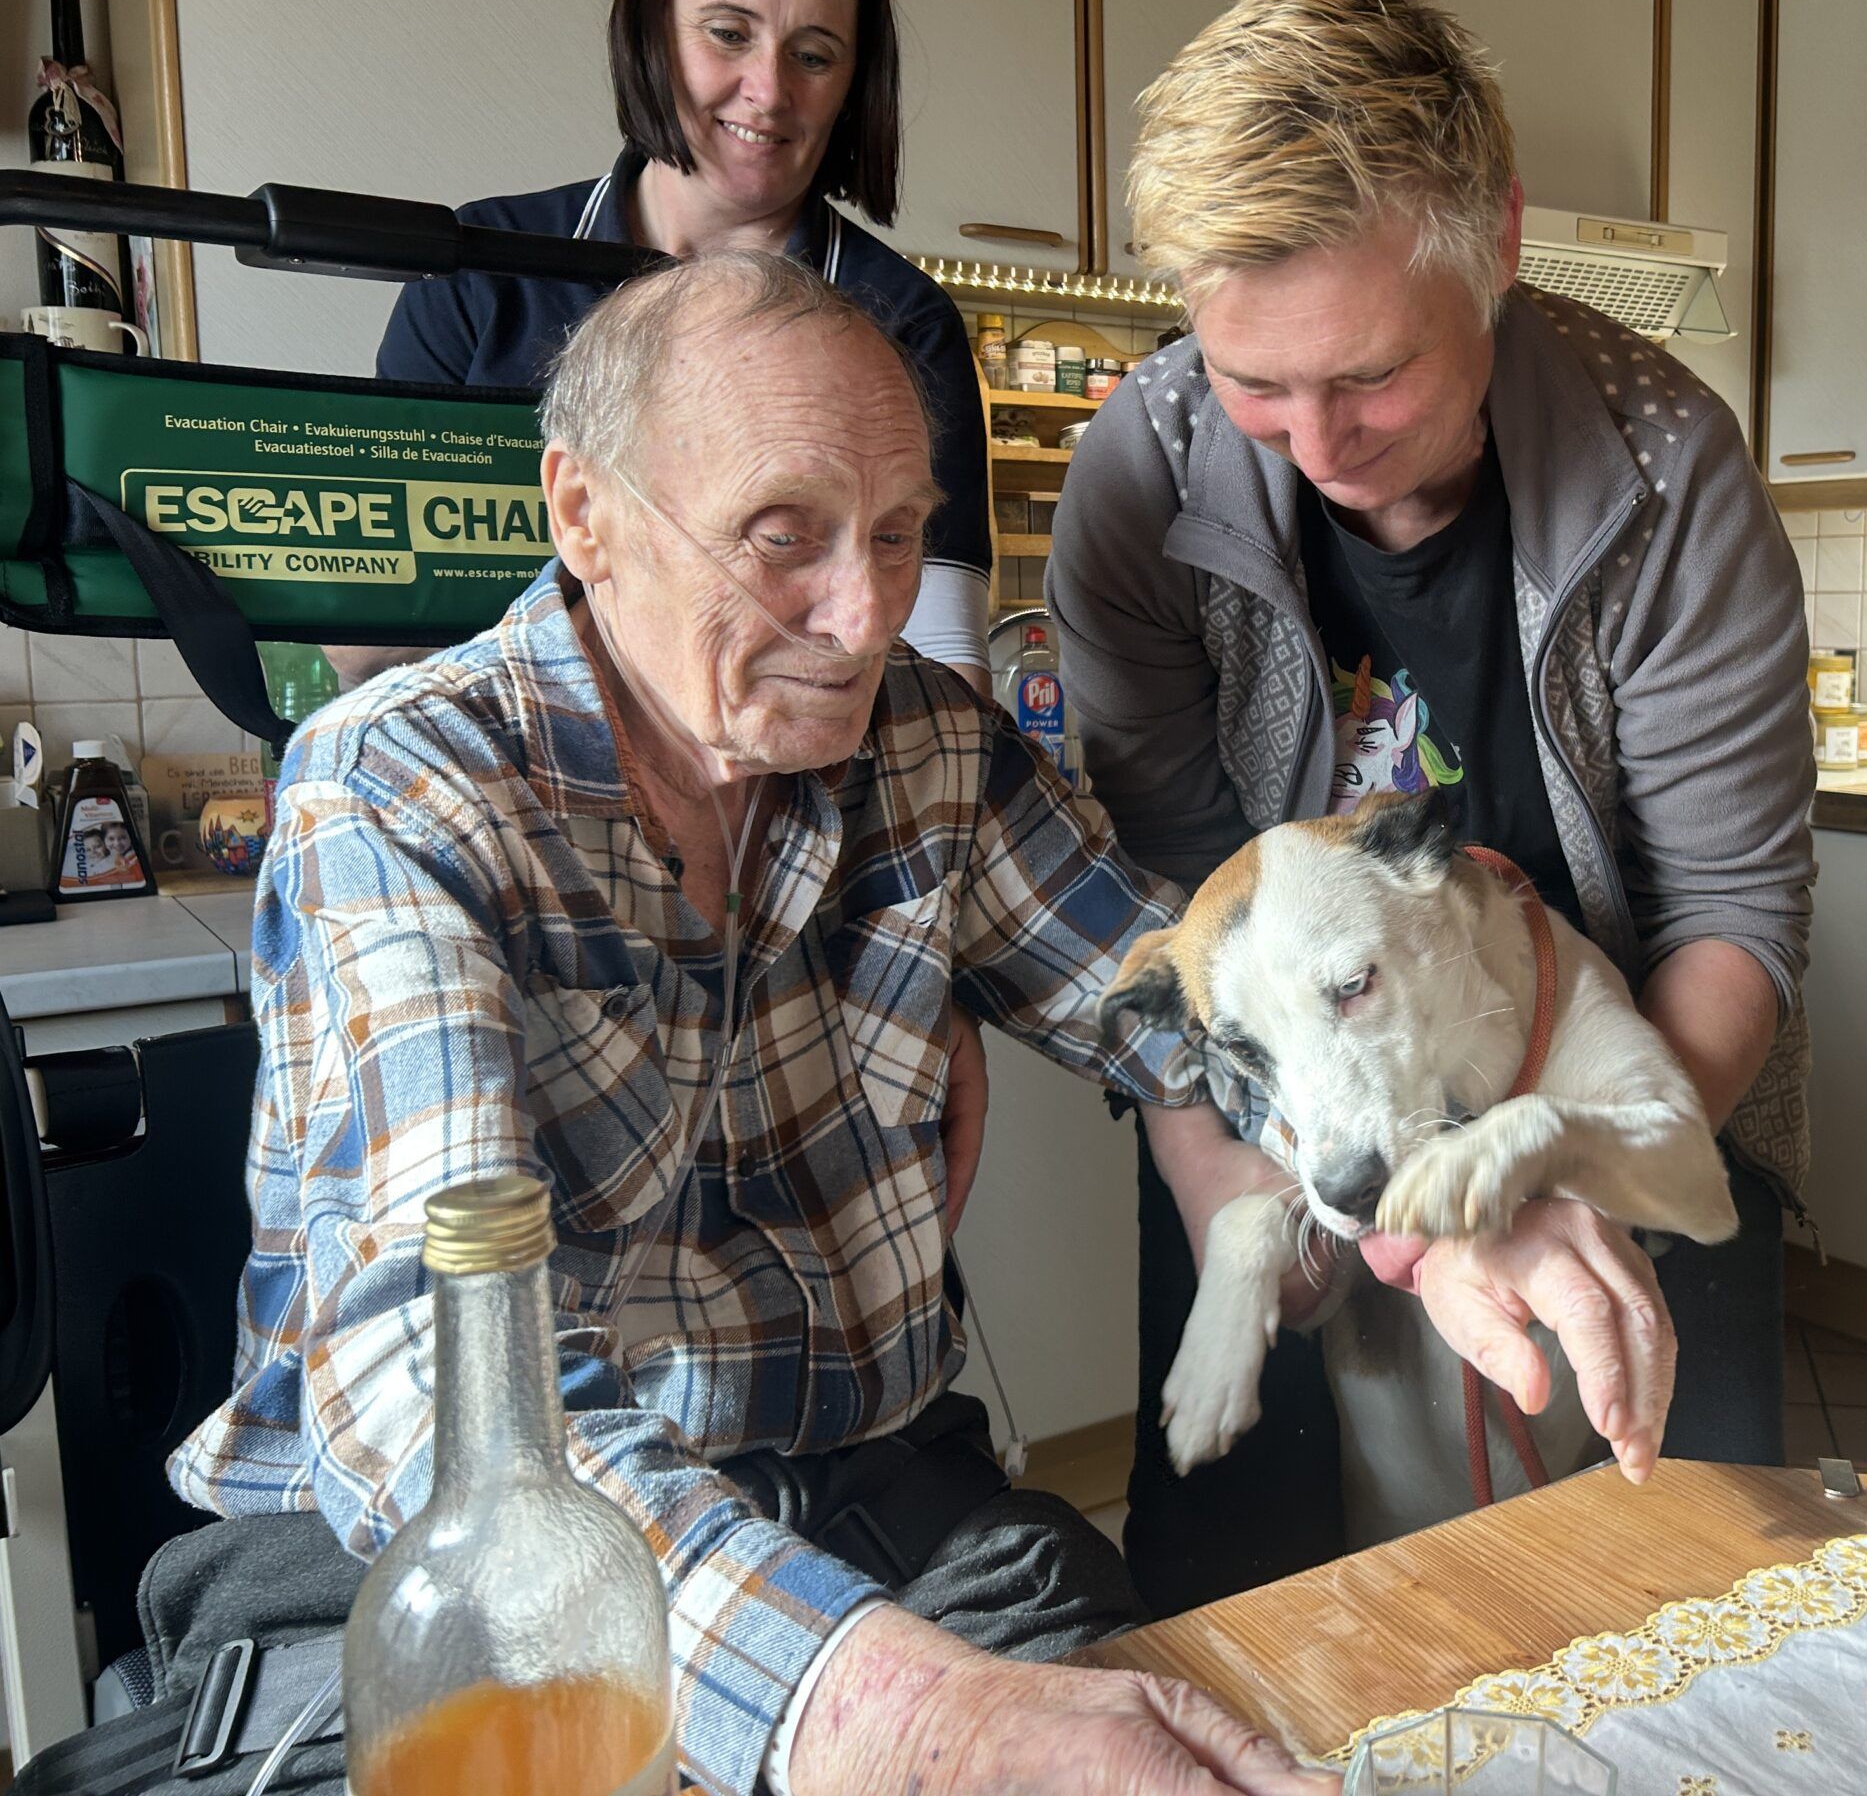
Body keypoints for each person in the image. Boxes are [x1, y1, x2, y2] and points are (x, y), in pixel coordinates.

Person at [50, 252, 1682, 1796]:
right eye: (784, 535)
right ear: (588, 517)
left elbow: (1188, 1021)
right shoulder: (400, 788)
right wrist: (883, 1709)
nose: (862, 614)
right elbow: (440, 1386)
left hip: (879, 1505)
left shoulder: (928, 751)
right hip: (424, 1571)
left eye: (897, 536)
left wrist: (1437, 1198)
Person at [1048, 0, 1818, 1616]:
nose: (1318, 447)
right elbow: (1182, 930)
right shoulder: (1136, 487)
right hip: (1275, 1129)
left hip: (1622, 1085)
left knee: (1684, 1602)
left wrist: (1570, 1162)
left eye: (1371, 374)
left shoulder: (1666, 475)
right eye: (1256, 382)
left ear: (1501, 253)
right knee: (1255, 1608)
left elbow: (1734, 918)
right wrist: (1277, 1219)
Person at [350, 0, 992, 691]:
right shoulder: (474, 278)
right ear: (653, 29)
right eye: (728, 34)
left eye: (814, 55)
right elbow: (367, 646)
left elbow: (943, 667)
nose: (769, 90)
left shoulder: (902, 322)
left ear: (854, 82)